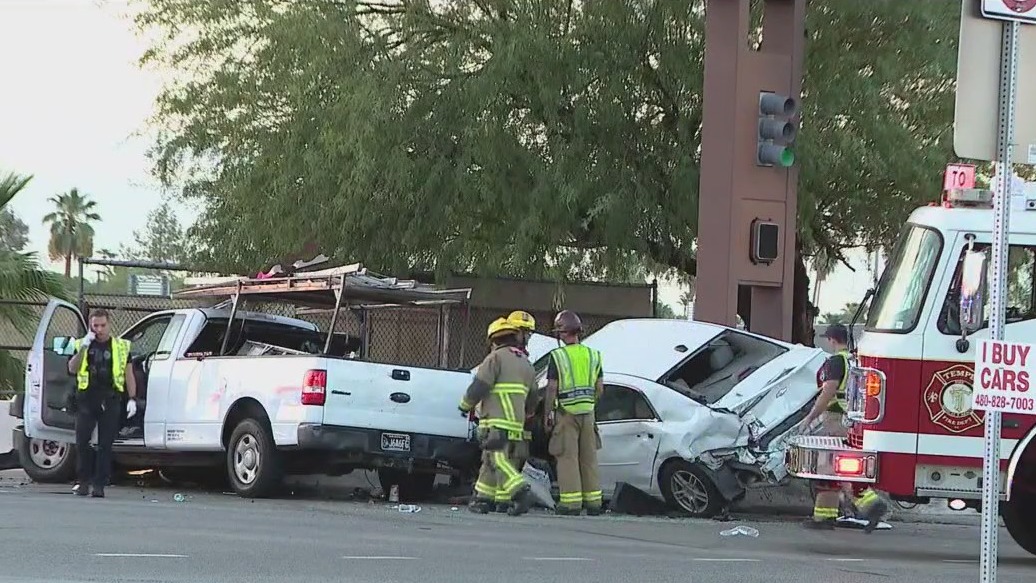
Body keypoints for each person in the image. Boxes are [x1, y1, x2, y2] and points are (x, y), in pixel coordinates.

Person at [800, 323, 887, 532]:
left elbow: (828, 391)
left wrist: (811, 417)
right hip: (852, 419)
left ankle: (870, 504)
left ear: (831, 340)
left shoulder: (836, 361)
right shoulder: (854, 360)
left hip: (836, 419)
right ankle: (825, 517)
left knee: (837, 467)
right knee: (830, 467)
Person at [459, 315, 538, 516]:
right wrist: (527, 414)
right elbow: (533, 396)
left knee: (496, 458)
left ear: (494, 340)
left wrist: (465, 405)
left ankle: (520, 491)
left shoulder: (495, 358)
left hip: (495, 420)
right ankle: (484, 499)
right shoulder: (526, 363)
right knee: (491, 460)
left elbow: (480, 386)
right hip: (516, 422)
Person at [66, 309, 137, 498]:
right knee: (82, 442)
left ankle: (99, 484)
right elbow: (72, 368)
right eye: (95, 326)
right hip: (86, 398)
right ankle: (83, 482)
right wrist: (84, 347)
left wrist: (132, 398)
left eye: (102, 325)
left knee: (106, 444)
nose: (99, 329)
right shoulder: (82, 343)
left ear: (109, 324)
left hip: (110, 398)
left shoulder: (121, 346)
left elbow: (129, 374)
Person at [544, 310, 604, 516]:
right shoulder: (593, 355)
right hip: (588, 413)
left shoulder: (558, 356)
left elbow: (552, 388)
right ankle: (594, 503)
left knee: (567, 457)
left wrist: (548, 414)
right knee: (589, 458)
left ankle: (571, 503)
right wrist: (590, 404)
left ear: (562, 332)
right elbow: (600, 388)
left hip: (566, 413)